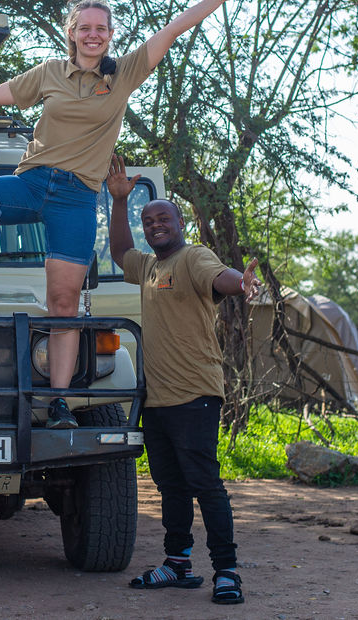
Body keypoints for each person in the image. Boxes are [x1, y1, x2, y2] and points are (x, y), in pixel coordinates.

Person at [0, 0, 254, 429]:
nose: (93, 34)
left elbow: (171, 30)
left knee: (64, 303)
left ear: (110, 34)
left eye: (101, 28)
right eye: (85, 27)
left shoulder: (124, 76)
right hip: (32, 183)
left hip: (76, 198)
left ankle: (59, 404)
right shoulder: (50, 73)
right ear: (71, 34)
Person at [106, 156, 260, 605]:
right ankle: (177, 563)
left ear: (178, 223)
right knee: (170, 486)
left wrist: (241, 283)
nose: (155, 225)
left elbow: (221, 277)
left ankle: (226, 571)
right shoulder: (150, 269)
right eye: (148, 220)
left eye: (162, 218)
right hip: (157, 400)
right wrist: (119, 203)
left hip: (195, 395)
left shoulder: (192, 257)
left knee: (205, 484)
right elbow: (119, 253)